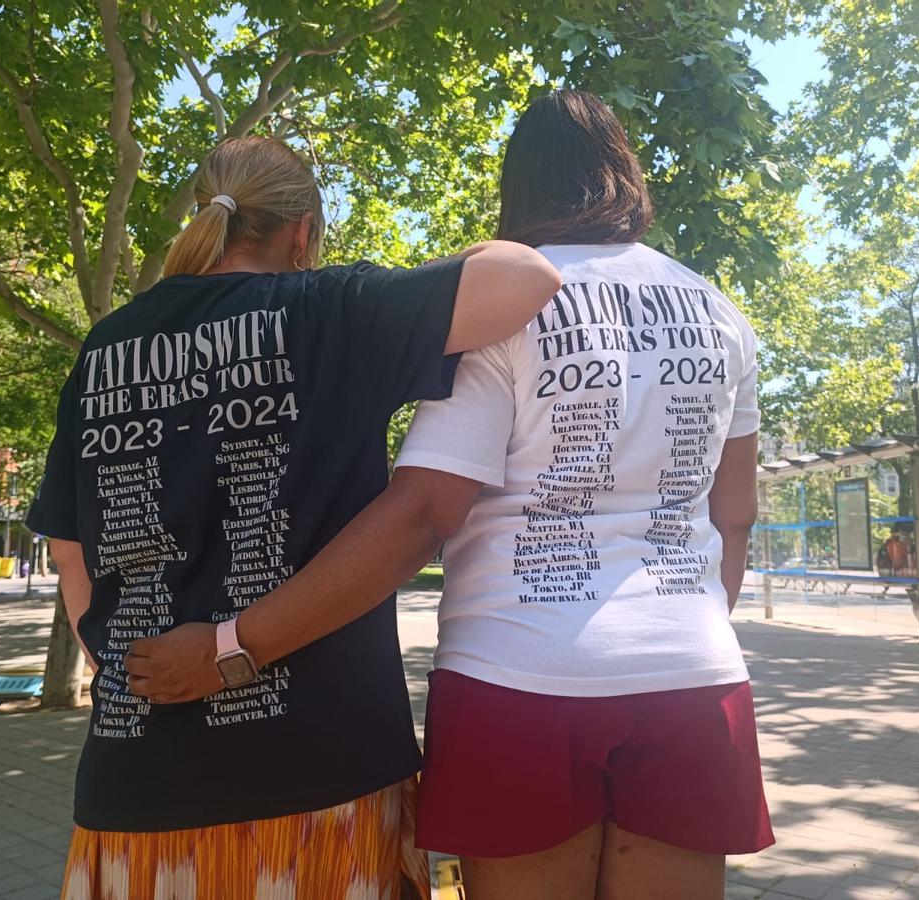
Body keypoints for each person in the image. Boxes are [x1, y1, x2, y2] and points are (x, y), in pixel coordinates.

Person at [132, 91, 773, 898]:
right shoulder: (721, 313)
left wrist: (234, 645)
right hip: (692, 672)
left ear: (521, 187)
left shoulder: (500, 308)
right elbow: (735, 514)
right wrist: (680, 627)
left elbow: (426, 511)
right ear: (625, 175)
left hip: (517, 675)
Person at [27, 134, 561, 899]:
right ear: (302, 232)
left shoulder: (106, 345)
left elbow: (71, 552)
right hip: (319, 781)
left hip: (133, 779)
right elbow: (525, 276)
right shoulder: (324, 307)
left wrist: (123, 666)